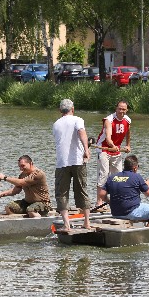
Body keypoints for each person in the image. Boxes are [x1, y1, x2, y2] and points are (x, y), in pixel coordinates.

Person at [52, 98, 91, 231]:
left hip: (62, 162)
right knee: (82, 190)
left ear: (60, 110)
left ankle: (66, 225)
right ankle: (87, 222)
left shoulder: (56, 124)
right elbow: (81, 133)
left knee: (61, 193)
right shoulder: (77, 119)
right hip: (78, 161)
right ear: (72, 109)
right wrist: (86, 150)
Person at [98, 155, 149, 227]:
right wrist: (148, 184)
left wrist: (109, 202)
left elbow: (101, 194)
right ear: (135, 168)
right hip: (131, 212)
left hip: (116, 213)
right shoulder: (136, 176)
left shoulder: (112, 177)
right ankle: (146, 232)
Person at [95, 100, 131, 206]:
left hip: (116, 151)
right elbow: (108, 137)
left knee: (118, 176)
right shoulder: (109, 120)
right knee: (104, 174)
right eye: (119, 109)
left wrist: (128, 145)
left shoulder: (127, 120)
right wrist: (112, 146)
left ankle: (116, 201)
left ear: (127, 110)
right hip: (104, 149)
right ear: (116, 109)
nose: (121, 111)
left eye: (123, 109)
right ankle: (99, 202)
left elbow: (128, 133)